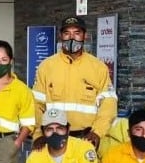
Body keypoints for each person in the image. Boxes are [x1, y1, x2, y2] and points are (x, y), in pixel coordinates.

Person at [32, 16, 117, 149]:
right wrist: (38, 134)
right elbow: (36, 105)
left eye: (77, 33)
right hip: (53, 138)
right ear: (61, 36)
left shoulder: (98, 67)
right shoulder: (47, 66)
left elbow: (108, 104)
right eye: (67, 33)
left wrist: (97, 133)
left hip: (86, 139)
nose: (72, 38)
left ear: (84, 36)